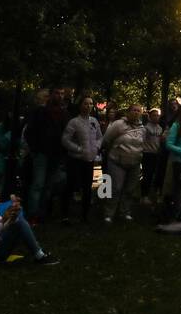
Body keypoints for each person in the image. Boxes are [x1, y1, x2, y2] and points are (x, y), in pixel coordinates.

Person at [0, 185, 55, 264]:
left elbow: (3, 228)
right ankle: (39, 255)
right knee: (20, 223)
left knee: (18, 221)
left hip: (1, 244)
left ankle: (38, 251)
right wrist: (3, 220)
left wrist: (12, 218)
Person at [24, 87, 69, 222]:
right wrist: (35, 149)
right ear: (51, 95)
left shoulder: (64, 114)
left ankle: (42, 213)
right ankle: (32, 214)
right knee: (38, 184)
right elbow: (29, 132)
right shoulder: (40, 112)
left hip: (56, 154)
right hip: (42, 153)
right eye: (57, 93)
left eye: (62, 93)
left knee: (49, 185)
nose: (60, 96)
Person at [101, 104, 146, 223]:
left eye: (138, 111)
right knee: (115, 188)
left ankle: (125, 212)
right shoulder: (118, 124)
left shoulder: (142, 128)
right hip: (117, 161)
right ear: (128, 112)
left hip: (135, 162)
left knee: (130, 189)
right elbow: (106, 139)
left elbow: (143, 143)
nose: (136, 113)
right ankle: (109, 213)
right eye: (134, 110)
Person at [60, 96, 102, 224]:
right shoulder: (74, 122)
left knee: (87, 187)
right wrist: (78, 149)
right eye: (85, 103)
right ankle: (65, 214)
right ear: (80, 106)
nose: (88, 106)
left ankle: (85, 215)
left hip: (89, 160)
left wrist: (96, 147)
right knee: (71, 186)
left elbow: (100, 137)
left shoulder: (94, 121)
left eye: (90, 104)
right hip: (76, 160)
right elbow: (65, 140)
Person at [140, 107, 166, 206]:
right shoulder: (145, 128)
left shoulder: (160, 128)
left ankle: (153, 193)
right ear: (150, 117)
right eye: (154, 115)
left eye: (157, 115)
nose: (156, 117)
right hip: (147, 154)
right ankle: (144, 196)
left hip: (156, 154)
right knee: (147, 175)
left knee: (156, 174)